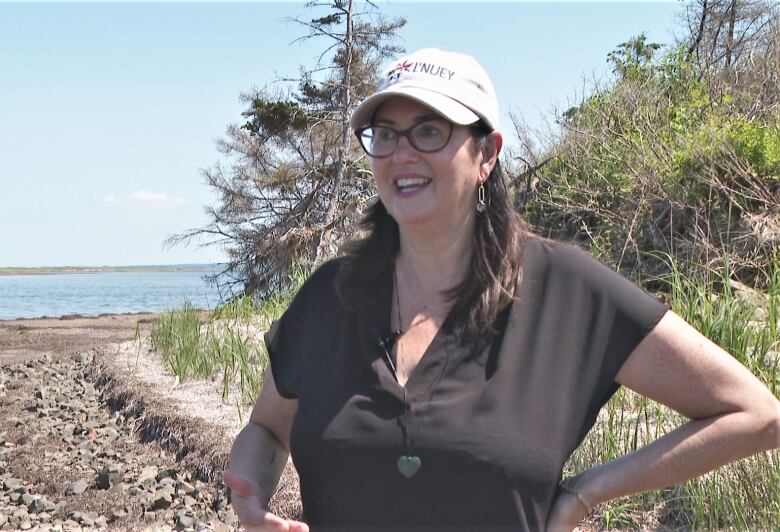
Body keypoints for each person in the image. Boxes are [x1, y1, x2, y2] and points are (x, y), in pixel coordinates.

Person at [225, 48, 780, 531]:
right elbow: (267, 429)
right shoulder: (331, 297)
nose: (402, 152)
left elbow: (755, 414)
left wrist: (585, 495)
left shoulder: (566, 291)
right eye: (386, 134)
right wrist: (250, 491)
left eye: (429, 130)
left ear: (487, 152)